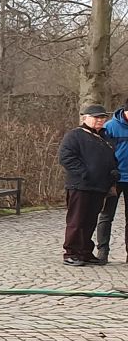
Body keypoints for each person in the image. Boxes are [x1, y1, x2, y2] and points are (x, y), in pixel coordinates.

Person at [59, 104, 117, 266]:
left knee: (90, 221)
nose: (100, 120)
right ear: (85, 118)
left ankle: (84, 251)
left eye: (102, 117)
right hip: (80, 186)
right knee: (77, 221)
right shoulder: (75, 135)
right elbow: (66, 157)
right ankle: (71, 253)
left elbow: (110, 158)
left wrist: (113, 171)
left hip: (99, 186)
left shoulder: (104, 137)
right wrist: (85, 173)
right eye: (96, 117)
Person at [94, 100, 128, 262]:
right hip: (114, 178)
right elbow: (101, 152)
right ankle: (103, 251)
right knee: (106, 215)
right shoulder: (110, 127)